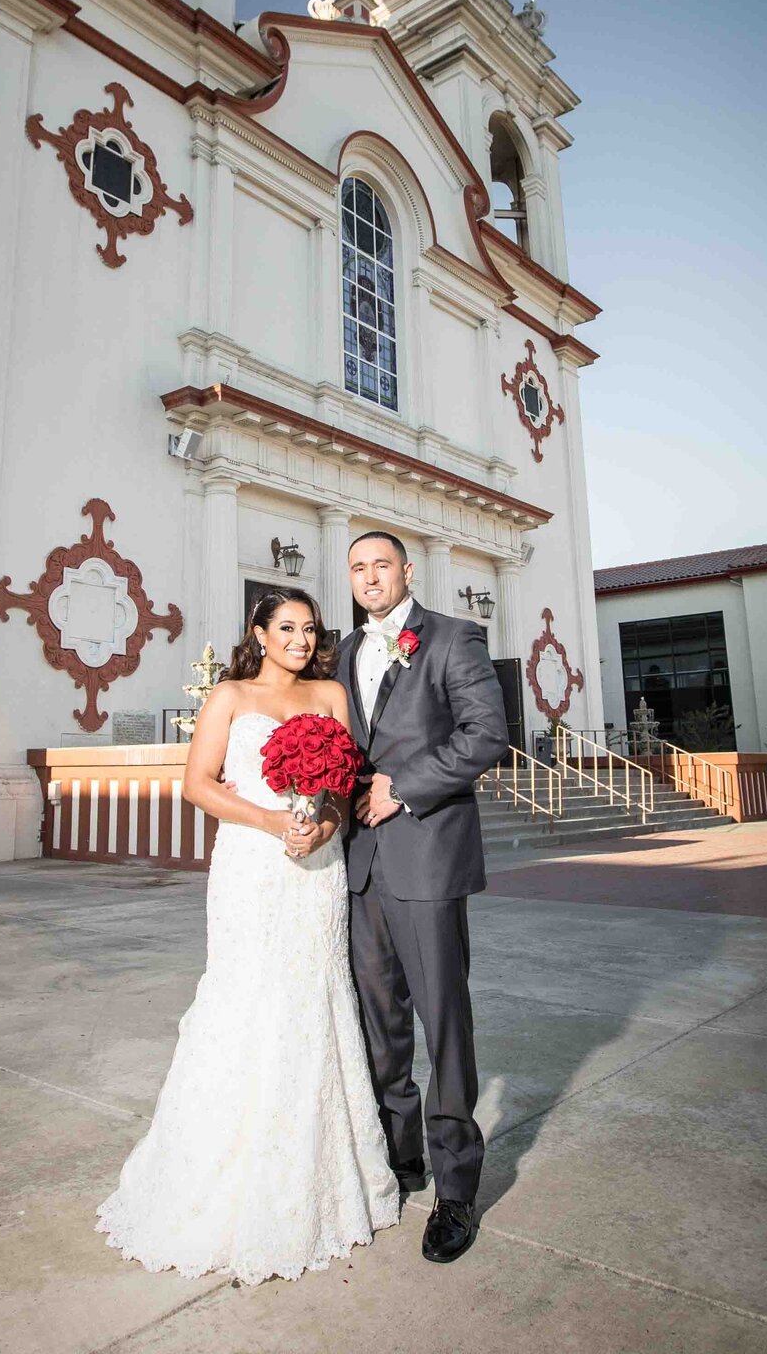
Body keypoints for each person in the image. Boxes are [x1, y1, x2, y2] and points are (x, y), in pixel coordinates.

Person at [96, 589, 399, 1284]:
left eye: (309, 628)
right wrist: (268, 824)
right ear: (259, 633)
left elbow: (342, 789)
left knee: (312, 1000)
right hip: (248, 866)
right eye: (285, 627)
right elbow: (197, 784)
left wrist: (320, 829)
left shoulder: (329, 695)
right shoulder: (229, 697)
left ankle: (318, 1180)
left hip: (315, 866)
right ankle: (214, 1182)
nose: (299, 638)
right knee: (243, 996)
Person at [337, 532, 509, 1265]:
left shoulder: (452, 638)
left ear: (407, 571)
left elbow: (486, 736)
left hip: (429, 857)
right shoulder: (344, 652)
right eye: (357, 568)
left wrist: (402, 788)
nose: (369, 577)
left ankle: (457, 1187)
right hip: (362, 864)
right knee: (379, 1022)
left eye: (381, 564)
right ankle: (401, 1159)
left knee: (443, 1023)